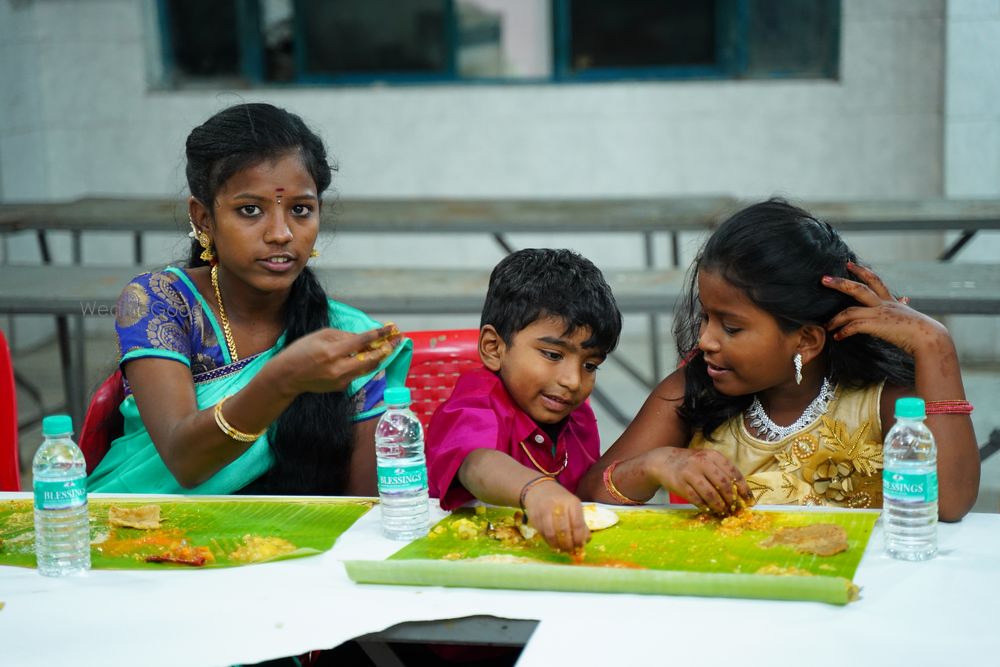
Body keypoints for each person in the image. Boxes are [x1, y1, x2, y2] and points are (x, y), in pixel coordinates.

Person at [577, 199, 980, 522]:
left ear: (805, 340)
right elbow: (590, 496)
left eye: (731, 328)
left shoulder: (879, 402)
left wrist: (934, 343)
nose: (705, 340)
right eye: (706, 317)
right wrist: (654, 464)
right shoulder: (691, 393)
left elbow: (949, 504)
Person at [88, 103, 411, 496]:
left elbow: (366, 508)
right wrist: (283, 380)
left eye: (300, 210)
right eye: (250, 210)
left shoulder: (345, 336)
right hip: (149, 537)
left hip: (294, 549)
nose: (281, 233)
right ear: (203, 218)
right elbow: (185, 460)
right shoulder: (160, 304)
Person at [426, 248, 623, 553]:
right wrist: (536, 489)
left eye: (590, 365)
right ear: (494, 348)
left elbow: (588, 494)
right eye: (553, 355)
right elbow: (475, 463)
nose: (573, 380)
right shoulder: (476, 403)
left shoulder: (577, 414)